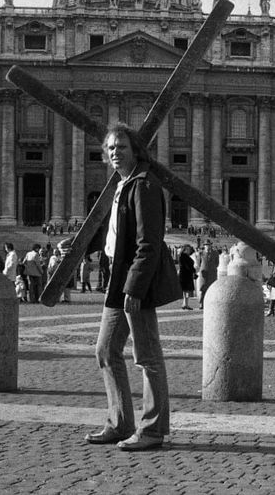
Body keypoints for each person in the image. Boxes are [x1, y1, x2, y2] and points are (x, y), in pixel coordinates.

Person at [85, 122, 172, 451]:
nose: (114, 153)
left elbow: (148, 244)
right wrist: (79, 244)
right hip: (117, 281)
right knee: (106, 351)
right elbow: (114, 232)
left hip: (135, 283)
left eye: (121, 147)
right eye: (110, 149)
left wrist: (134, 289)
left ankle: (152, 429)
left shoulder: (145, 185)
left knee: (148, 357)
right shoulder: (124, 185)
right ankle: (120, 422)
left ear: (136, 150)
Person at [196, 242, 218, 309]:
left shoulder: (215, 253)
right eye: (206, 245)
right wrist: (203, 268)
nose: (208, 246)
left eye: (209, 245)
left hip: (212, 273)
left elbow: (217, 263)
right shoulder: (201, 253)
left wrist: (212, 268)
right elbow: (198, 263)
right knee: (203, 288)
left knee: (212, 288)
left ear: (211, 245)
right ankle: (201, 303)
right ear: (204, 246)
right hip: (204, 273)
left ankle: (211, 303)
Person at [178, 245, 196, 310]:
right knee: (187, 290)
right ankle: (186, 304)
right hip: (185, 275)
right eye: (188, 249)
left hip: (185, 274)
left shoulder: (184, 256)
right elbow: (187, 266)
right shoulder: (183, 256)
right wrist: (193, 271)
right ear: (185, 249)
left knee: (185, 290)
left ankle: (185, 303)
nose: (189, 251)